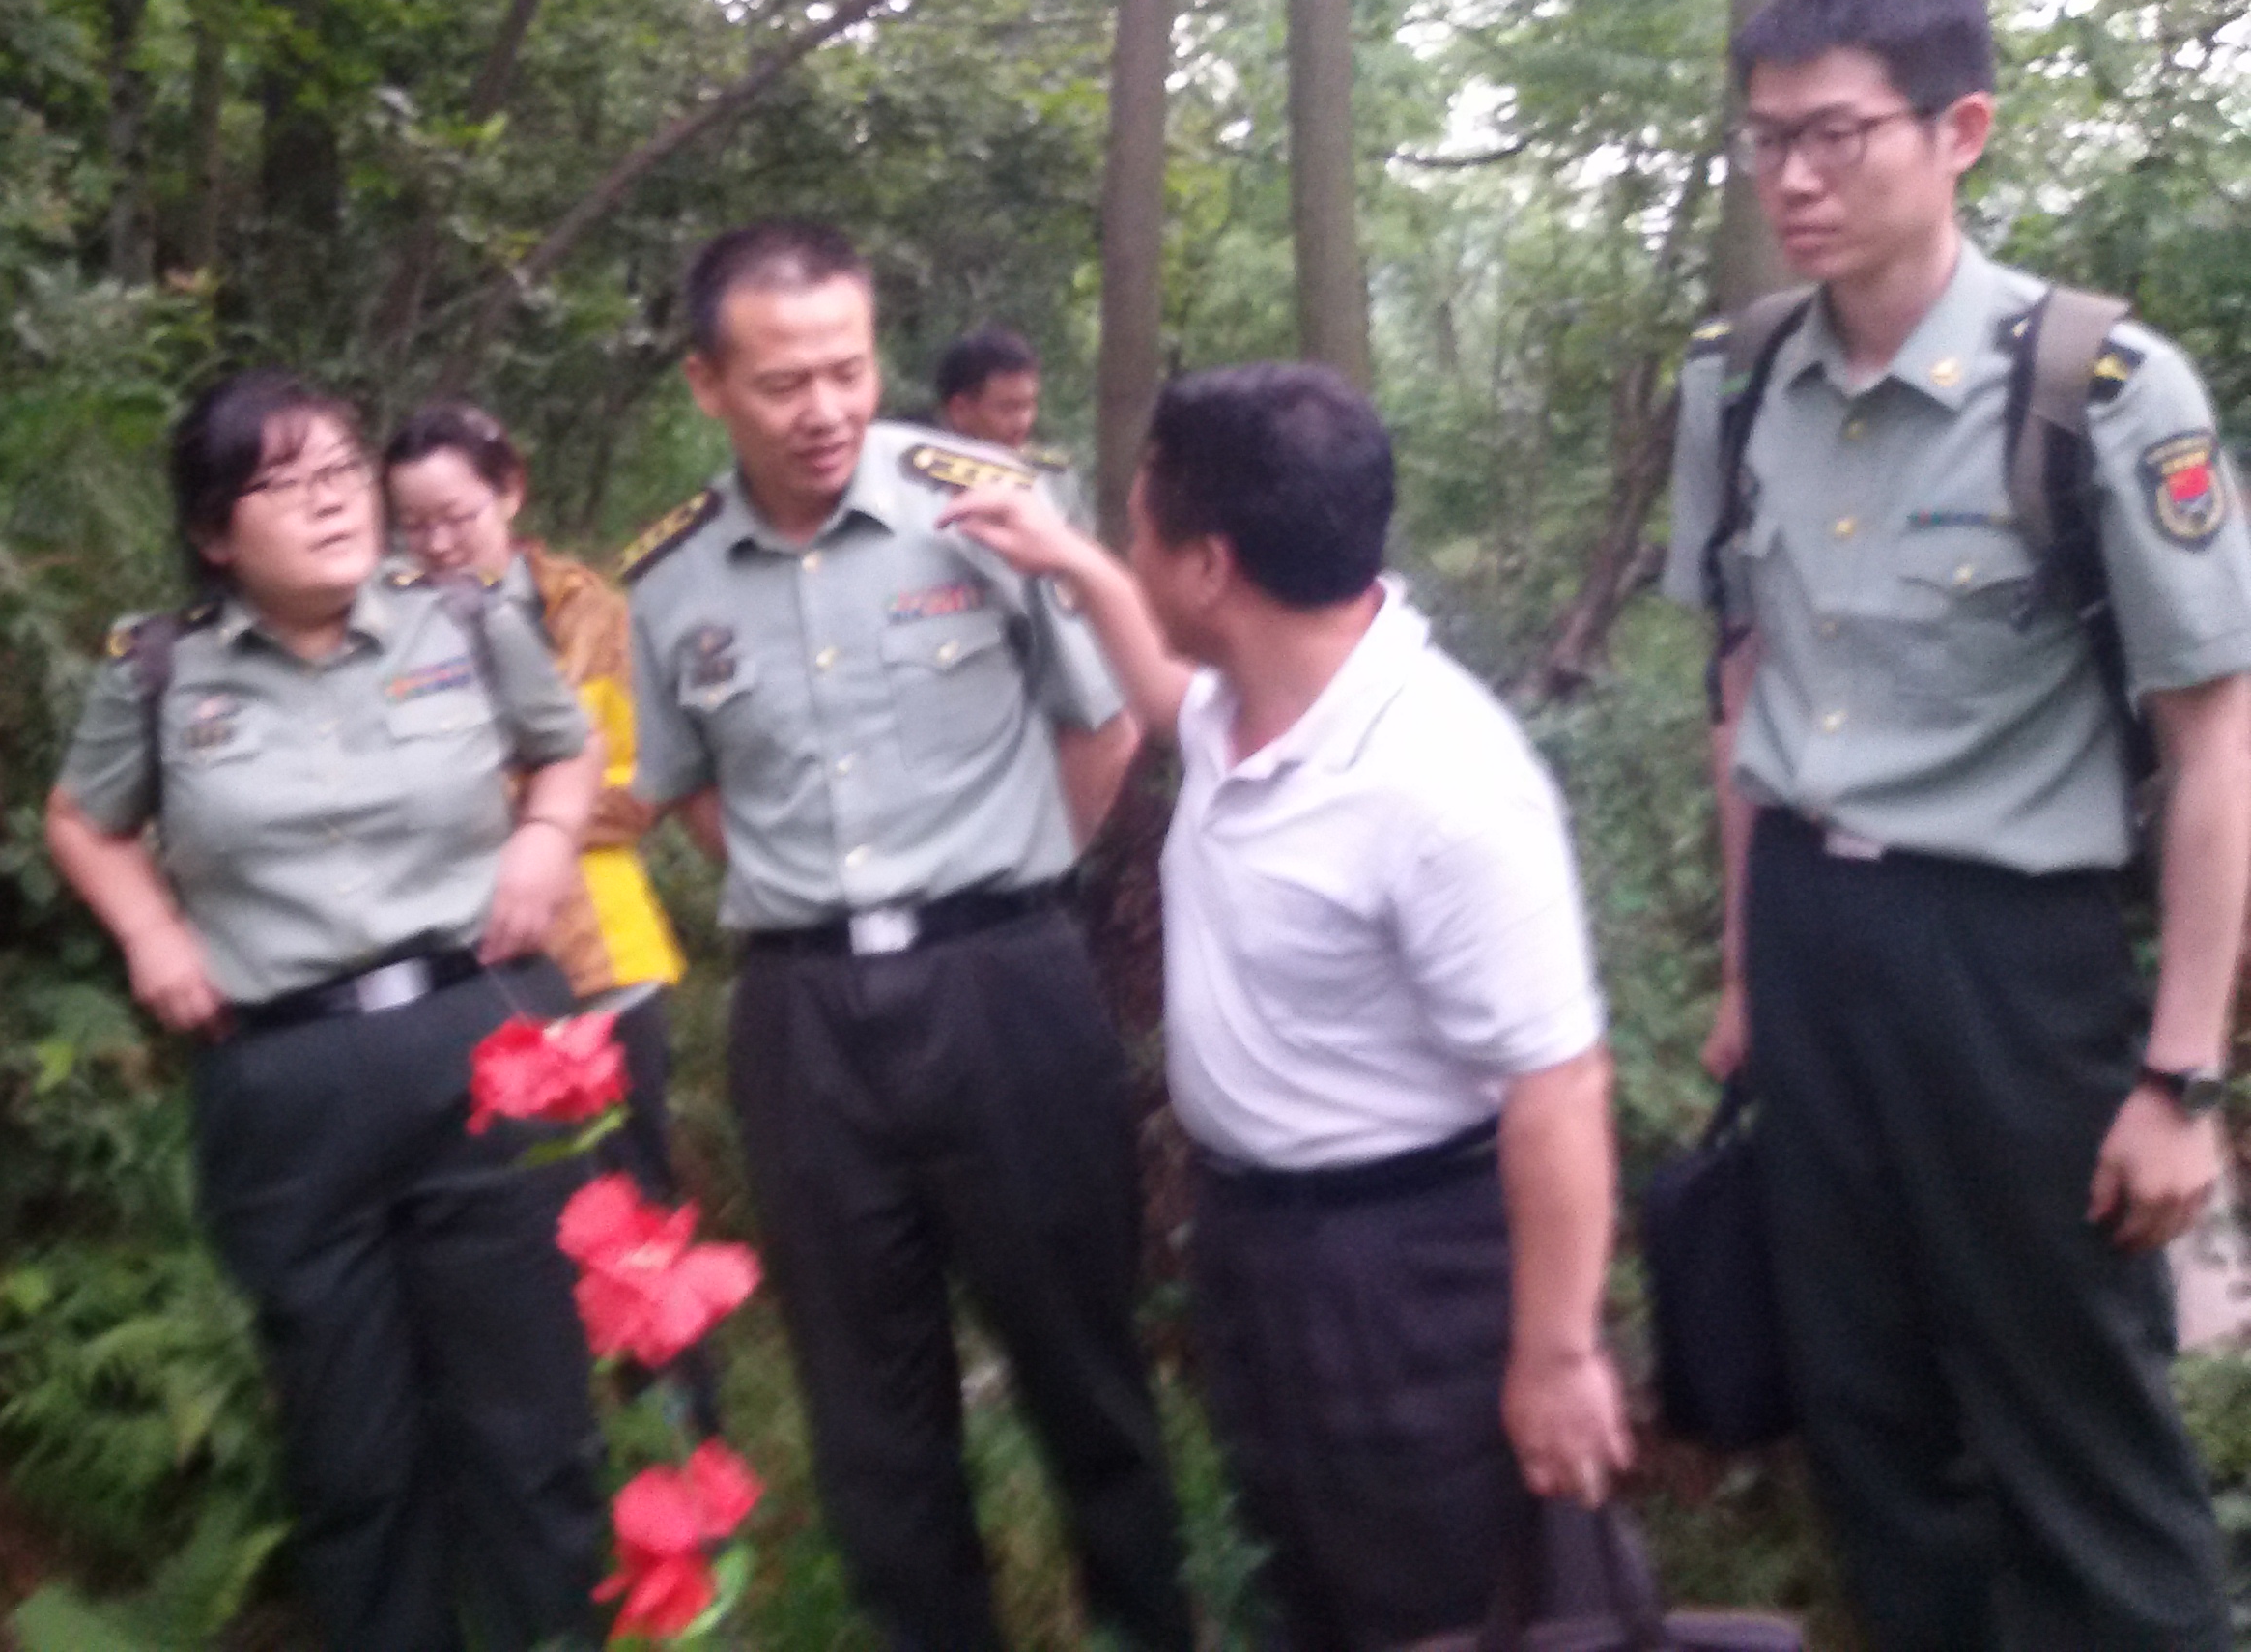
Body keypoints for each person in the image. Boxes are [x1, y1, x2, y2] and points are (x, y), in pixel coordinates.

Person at [1662, 0, 2251, 1650]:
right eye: (1767, 139)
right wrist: (1743, 971)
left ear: (1959, 131)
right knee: (1863, 1414)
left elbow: (2215, 743)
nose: (1791, 177)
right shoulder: (1737, 383)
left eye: (1835, 135)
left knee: (2074, 1423)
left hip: (2010, 966)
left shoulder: (2101, 392)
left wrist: (2181, 1077)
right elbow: (1742, 690)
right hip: (1811, 941)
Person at [945, 363, 1633, 1647]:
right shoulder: (1252, 702)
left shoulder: (1442, 782)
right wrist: (1071, 563)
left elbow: (1559, 1080)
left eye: (1138, 533)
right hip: (1262, 1246)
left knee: (1437, 1603)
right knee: (1307, 1580)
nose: (1130, 553)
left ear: (1210, 567)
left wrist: (1554, 1352)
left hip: (1406, 1276)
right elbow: (1169, 705)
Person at [622, 219, 1189, 1651]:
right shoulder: (671, 579)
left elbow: (1103, 724)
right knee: (870, 1414)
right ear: (708, 386)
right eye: (781, 383)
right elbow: (692, 791)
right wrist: (823, 893)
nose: (824, 410)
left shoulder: (986, 507)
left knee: (1083, 1372)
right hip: (805, 1022)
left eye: (849, 370)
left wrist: (1009, 884)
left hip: (1007, 990)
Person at [43, 370, 611, 1652]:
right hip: (286, 1081)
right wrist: (150, 933)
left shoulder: (462, 620)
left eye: (344, 469)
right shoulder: (162, 670)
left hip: (485, 1043)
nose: (331, 500)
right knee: (352, 1451)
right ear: (213, 530)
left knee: (531, 1424)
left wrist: (543, 843)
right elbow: (82, 820)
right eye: (285, 482)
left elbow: (566, 745)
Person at [382, 402, 727, 1425]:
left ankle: (683, 1454)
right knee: (510, 1223)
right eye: (415, 525)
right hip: (454, 976)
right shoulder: (376, 628)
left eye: (459, 516)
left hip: (599, 958)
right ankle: (556, 1443)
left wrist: (503, 813)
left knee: (634, 1211)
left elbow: (638, 787)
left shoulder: (589, 615)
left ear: (511, 494)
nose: (440, 545)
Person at [935, 325, 1094, 530]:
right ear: (960, 410)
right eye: (1007, 408)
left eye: (1029, 405)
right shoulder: (913, 478)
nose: (1024, 421)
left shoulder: (1054, 482)